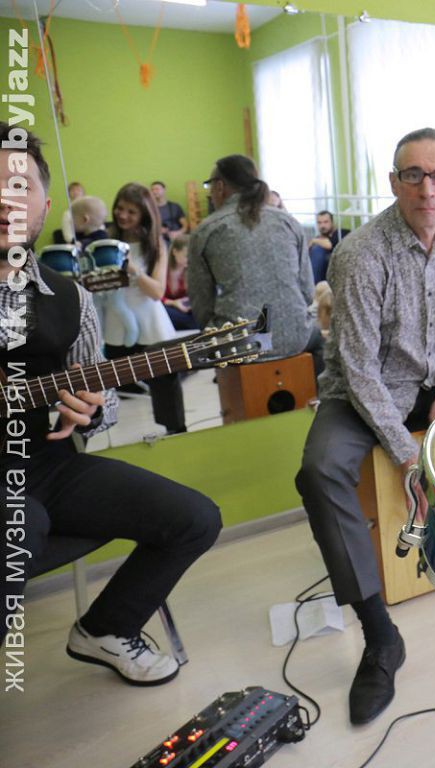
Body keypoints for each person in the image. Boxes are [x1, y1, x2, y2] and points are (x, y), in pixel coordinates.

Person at [294, 128, 435, 726]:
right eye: (414, 175)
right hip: (364, 391)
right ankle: (380, 637)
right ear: (394, 182)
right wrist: (409, 456)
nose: (428, 188)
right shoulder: (360, 254)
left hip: (432, 381)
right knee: (319, 472)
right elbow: (358, 369)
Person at [0, 122, 221, 686]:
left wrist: (93, 408)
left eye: (19, 186)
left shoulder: (69, 298)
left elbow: (106, 406)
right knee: (24, 527)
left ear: (44, 203)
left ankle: (104, 628)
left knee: (195, 518)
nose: (6, 200)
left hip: (47, 467)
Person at [188, 155, 320, 366]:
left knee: (163, 354)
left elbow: (201, 303)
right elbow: (307, 292)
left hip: (238, 344)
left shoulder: (206, 230)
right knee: (321, 338)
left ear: (219, 186)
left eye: (209, 186)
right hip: (296, 338)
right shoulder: (288, 221)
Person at [106, 183, 186, 434]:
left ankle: (176, 433)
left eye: (131, 211)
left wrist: (132, 269)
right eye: (120, 208)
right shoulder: (107, 240)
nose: (123, 215)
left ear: (144, 214)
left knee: (166, 385)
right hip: (115, 324)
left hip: (151, 323)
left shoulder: (156, 244)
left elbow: (157, 292)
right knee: (111, 384)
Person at [72, 195, 139, 348]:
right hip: (96, 284)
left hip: (112, 282)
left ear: (84, 219)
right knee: (97, 309)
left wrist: (81, 247)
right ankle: (99, 341)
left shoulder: (100, 239)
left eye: (73, 220)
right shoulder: (91, 238)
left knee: (117, 305)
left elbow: (94, 250)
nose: (72, 224)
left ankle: (132, 330)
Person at [162, 234, 197, 331]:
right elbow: (155, 295)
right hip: (167, 307)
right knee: (163, 311)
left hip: (184, 309)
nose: (190, 259)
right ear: (175, 252)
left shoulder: (191, 270)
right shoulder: (163, 269)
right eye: (186, 256)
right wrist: (173, 303)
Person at [306, 210, 350, 285]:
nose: (322, 226)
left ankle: (314, 286)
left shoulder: (341, 232)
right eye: (319, 223)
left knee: (317, 250)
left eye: (326, 222)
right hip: (323, 272)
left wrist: (313, 241)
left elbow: (329, 245)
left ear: (332, 222)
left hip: (339, 266)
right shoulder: (318, 239)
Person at [55, 180, 86, 244]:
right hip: (76, 243)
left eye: (78, 190)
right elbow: (68, 236)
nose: (75, 192)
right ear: (68, 194)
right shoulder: (67, 214)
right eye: (73, 190)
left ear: (83, 193)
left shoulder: (90, 209)